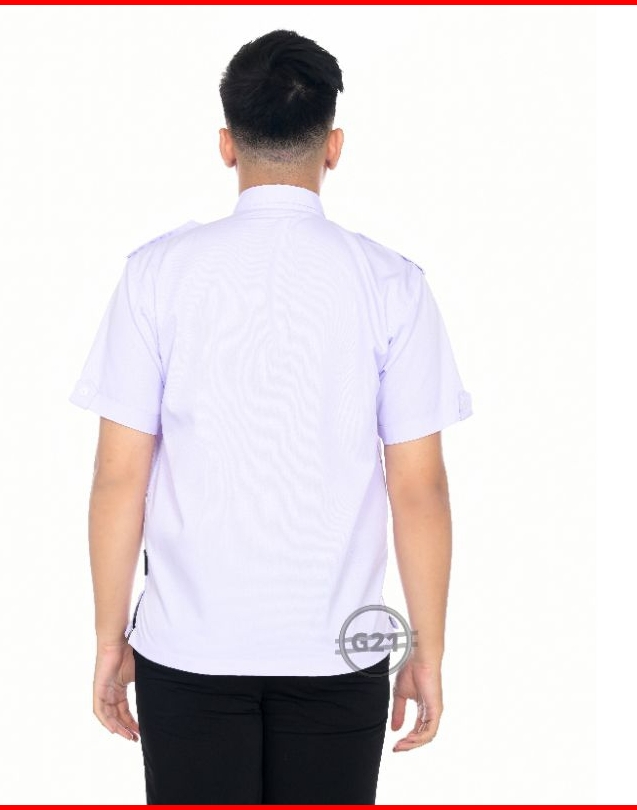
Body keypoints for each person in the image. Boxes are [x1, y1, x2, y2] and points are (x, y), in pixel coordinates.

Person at [68, 28, 473, 805]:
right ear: (334, 146)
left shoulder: (156, 276)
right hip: (339, 652)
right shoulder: (393, 285)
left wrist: (109, 638)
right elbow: (418, 488)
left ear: (227, 144)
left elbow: (119, 479)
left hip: (188, 649)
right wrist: (426, 648)